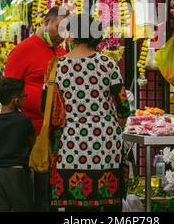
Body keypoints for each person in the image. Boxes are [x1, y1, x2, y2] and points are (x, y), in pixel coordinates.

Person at [50, 14, 130, 212]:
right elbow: (123, 107)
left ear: (71, 36)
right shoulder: (108, 64)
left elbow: (50, 107)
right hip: (105, 140)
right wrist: (116, 127)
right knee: (109, 202)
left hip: (71, 141)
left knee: (76, 205)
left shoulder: (55, 67)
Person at [4, 6, 68, 212]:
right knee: (31, 191)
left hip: (56, 133)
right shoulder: (21, 51)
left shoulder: (61, 51)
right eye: (58, 28)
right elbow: (8, 92)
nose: (62, 35)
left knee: (49, 191)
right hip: (29, 133)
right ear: (46, 22)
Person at [0, 78, 35, 212]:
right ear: (15, 99)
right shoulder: (24, 121)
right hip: (18, 174)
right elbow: (32, 144)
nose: (24, 99)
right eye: (23, 96)